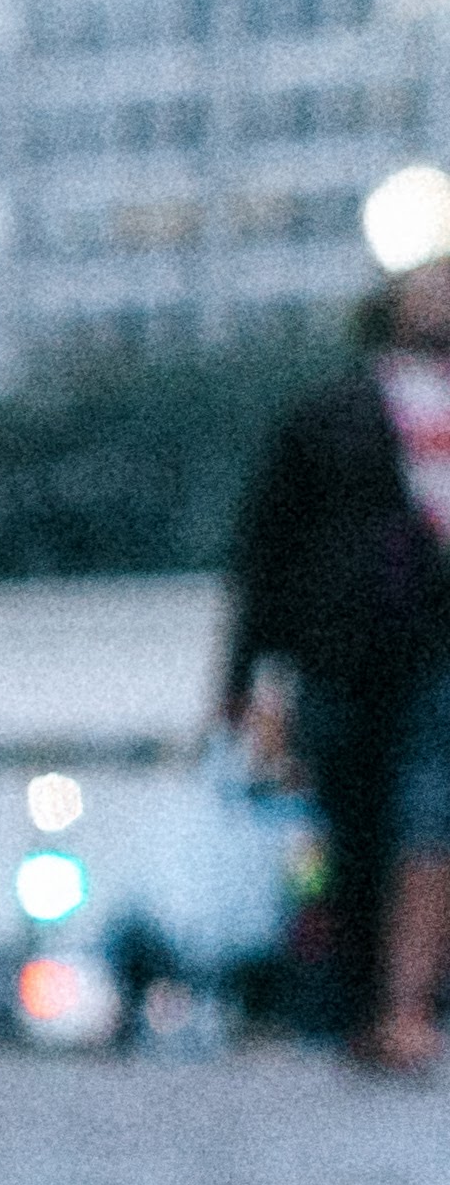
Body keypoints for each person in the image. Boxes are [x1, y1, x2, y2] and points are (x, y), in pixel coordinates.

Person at [226, 230, 450, 1072]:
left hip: (439, 651)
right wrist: (243, 682)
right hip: (345, 653)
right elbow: (266, 557)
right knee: (352, 826)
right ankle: (368, 1003)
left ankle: (405, 1005)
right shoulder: (331, 412)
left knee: (432, 821)